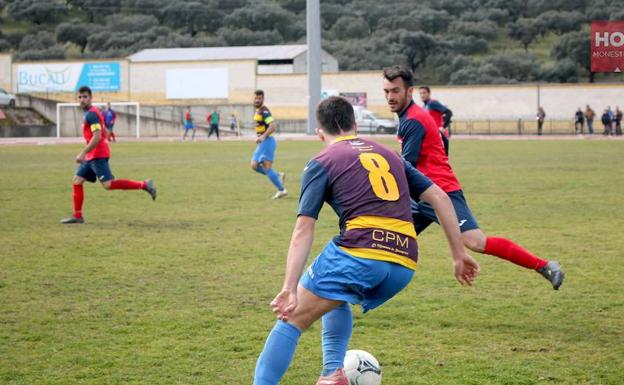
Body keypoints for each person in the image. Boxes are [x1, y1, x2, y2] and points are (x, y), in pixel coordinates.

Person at [253, 96, 480, 385]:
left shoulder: (322, 161)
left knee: (291, 318)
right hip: (404, 261)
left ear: (319, 132)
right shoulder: (389, 154)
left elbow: (304, 228)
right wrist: (458, 254)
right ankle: (332, 372)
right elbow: (439, 196)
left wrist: (288, 288)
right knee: (336, 295)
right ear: (355, 124)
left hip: (361, 253)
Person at [382, 65, 564, 290]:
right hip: (423, 193)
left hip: (441, 193)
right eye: (387, 91)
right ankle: (353, 290)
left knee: (475, 242)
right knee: (387, 238)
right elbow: (440, 141)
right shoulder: (412, 116)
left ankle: (545, 265)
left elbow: (405, 167)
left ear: (409, 92)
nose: (390, 97)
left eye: (395, 91)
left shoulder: (413, 120)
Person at [60, 86, 156, 224]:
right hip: (92, 155)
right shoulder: (89, 113)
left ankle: (144, 185)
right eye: (80, 97)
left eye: (85, 97)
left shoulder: (91, 114)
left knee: (108, 185)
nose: (82, 100)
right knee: (77, 180)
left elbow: (97, 136)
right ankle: (77, 216)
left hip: (97, 154)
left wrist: (83, 152)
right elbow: (102, 132)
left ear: (91, 98)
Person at [251, 90, 287, 199]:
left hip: (267, 141)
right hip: (264, 142)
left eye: (259, 98)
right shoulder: (258, 111)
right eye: (256, 98)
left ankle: (282, 189)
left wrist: (263, 136)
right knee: (255, 166)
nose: (257, 100)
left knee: (263, 166)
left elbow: (272, 126)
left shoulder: (264, 111)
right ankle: (277, 176)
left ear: (263, 99)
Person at [419, 86, 453, 155]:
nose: (422, 95)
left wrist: (443, 126)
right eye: (420, 93)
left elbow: (448, 112)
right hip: (431, 137)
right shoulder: (424, 106)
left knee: (442, 160)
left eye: (424, 93)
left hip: (439, 136)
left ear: (429, 93)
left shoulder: (433, 103)